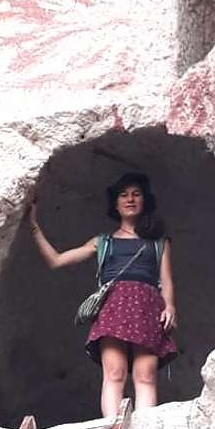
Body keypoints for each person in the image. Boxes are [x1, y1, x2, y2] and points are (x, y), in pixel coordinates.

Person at [27, 171, 177, 415]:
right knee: (115, 373)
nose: (130, 199)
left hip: (148, 307)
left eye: (136, 194)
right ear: (115, 204)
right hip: (114, 306)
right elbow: (56, 260)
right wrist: (33, 225)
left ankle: (146, 427)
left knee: (146, 374)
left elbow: (166, 281)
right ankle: (110, 427)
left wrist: (170, 307)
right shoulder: (103, 242)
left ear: (144, 201)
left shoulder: (159, 242)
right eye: (123, 195)